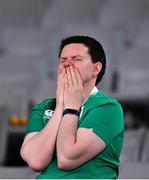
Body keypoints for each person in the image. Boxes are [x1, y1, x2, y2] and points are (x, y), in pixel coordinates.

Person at [20, 35, 124, 179]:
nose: (67, 64)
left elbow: (67, 159)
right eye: (63, 60)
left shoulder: (108, 107)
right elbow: (36, 161)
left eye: (76, 59)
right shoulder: (44, 107)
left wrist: (71, 108)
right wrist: (61, 106)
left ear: (96, 69)